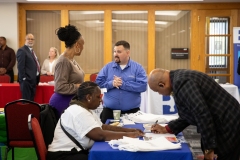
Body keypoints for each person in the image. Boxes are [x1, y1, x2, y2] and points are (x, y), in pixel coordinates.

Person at [148, 68, 240, 160]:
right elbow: (189, 114)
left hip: (228, 121)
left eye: (157, 91)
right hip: (221, 118)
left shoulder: (183, 84)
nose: (160, 94)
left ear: (162, 84)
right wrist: (167, 128)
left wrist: (209, 148)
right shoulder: (178, 77)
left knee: (222, 155)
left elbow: (202, 114)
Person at [47, 81, 144, 160]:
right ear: (89, 97)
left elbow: (102, 127)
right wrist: (129, 135)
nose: (101, 101)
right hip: (63, 155)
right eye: (98, 97)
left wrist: (130, 130)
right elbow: (100, 135)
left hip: (74, 152)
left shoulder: (84, 109)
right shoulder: (78, 111)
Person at [95, 40, 147, 123]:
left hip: (132, 113)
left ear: (127, 53)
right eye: (114, 51)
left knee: (133, 135)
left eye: (119, 52)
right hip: (109, 112)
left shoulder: (138, 68)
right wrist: (111, 84)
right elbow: (97, 85)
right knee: (106, 135)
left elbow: (142, 86)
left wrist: (123, 84)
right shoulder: (107, 68)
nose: (115, 54)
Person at [49, 24, 85, 118]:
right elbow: (60, 87)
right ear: (77, 44)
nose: (83, 48)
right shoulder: (63, 61)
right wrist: (80, 87)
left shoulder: (71, 59)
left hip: (71, 102)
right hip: (63, 104)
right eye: (82, 44)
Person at [16, 33, 40, 101]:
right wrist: (24, 79)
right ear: (25, 40)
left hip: (33, 80)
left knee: (31, 101)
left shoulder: (32, 51)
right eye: (28, 39)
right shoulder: (22, 50)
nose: (30, 40)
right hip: (26, 81)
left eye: (32, 39)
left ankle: (30, 112)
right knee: (26, 102)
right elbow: (20, 66)